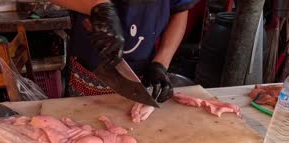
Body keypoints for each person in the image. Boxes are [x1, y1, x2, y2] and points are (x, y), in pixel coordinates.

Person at [50, 0, 198, 103]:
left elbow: (180, 11)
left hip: (142, 74)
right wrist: (98, 7)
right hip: (89, 67)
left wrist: (161, 63)